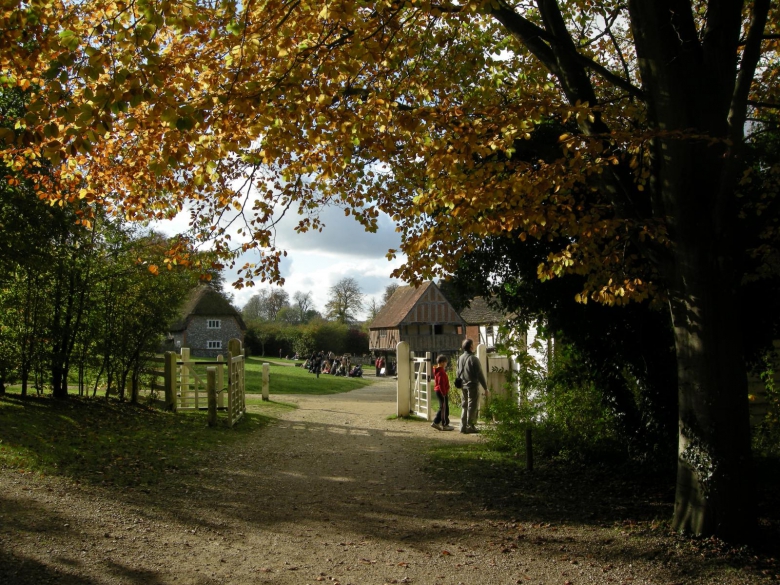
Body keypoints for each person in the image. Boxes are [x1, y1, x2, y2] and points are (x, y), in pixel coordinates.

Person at [456, 338, 488, 434]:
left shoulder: (460, 358)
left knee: (464, 405)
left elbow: (457, 372)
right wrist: (485, 387)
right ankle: (470, 426)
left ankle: (463, 426)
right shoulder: (474, 359)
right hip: (472, 385)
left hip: (463, 385)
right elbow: (480, 374)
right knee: (472, 406)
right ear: (471, 347)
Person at [431, 355, 454, 431]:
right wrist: (444, 392)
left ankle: (441, 422)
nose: (446, 364)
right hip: (441, 391)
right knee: (444, 408)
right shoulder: (441, 372)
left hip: (440, 391)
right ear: (442, 363)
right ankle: (442, 423)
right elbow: (441, 383)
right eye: (445, 362)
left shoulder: (439, 371)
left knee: (444, 407)